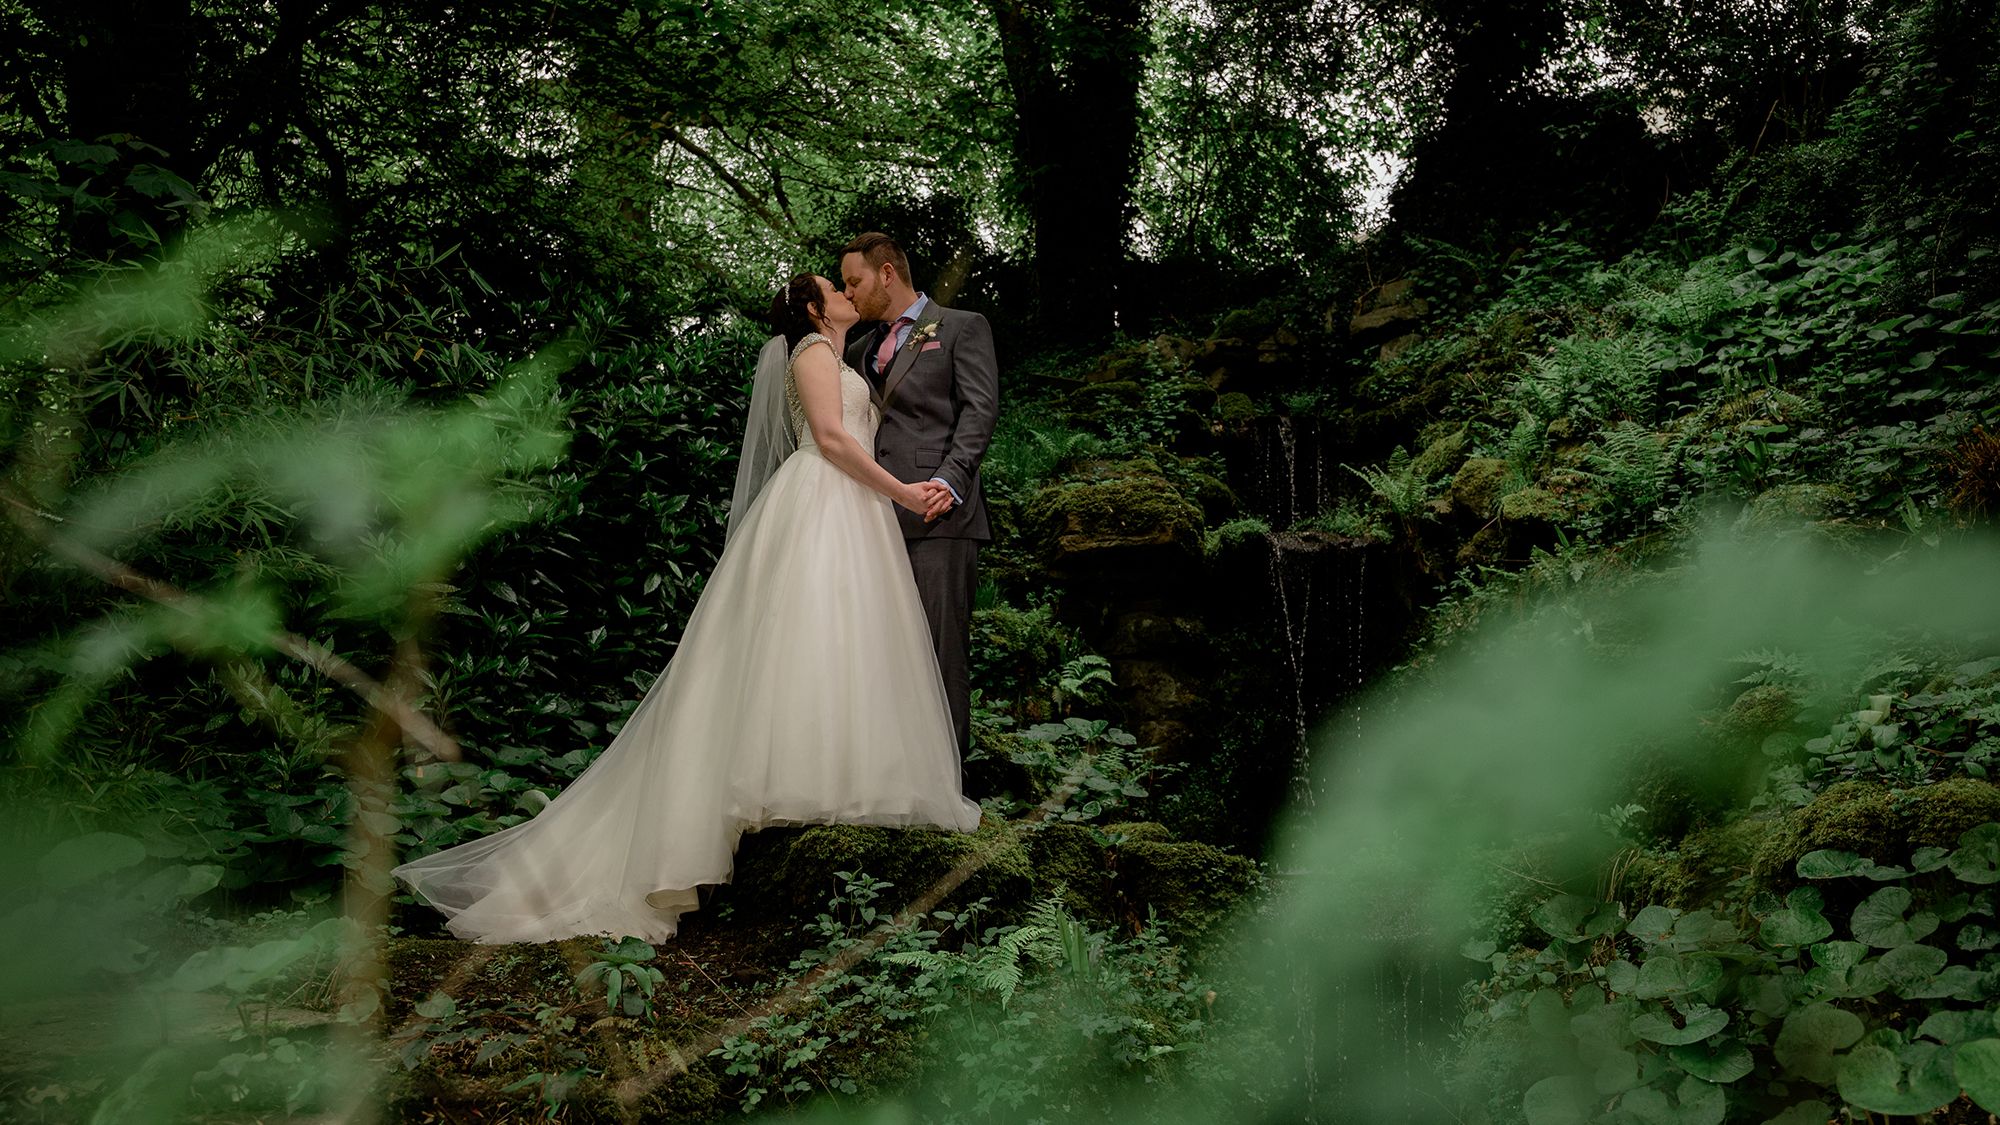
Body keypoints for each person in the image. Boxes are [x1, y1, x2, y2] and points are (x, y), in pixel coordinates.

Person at [391, 274, 982, 943]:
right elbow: (834, 440)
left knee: (844, 638)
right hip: (824, 498)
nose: (847, 292)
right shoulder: (813, 355)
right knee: (812, 631)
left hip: (852, 509)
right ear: (816, 309)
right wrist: (904, 493)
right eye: (833, 288)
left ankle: (848, 777)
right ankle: (790, 783)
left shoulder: (839, 357)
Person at [839, 233, 999, 762]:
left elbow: (979, 412)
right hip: (875, 519)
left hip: (940, 515)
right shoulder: (859, 351)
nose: (850, 292)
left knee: (941, 653)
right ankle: (894, 777)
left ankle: (948, 787)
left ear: (887, 273)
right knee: (882, 652)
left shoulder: (962, 327)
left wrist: (949, 482)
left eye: (855, 281)